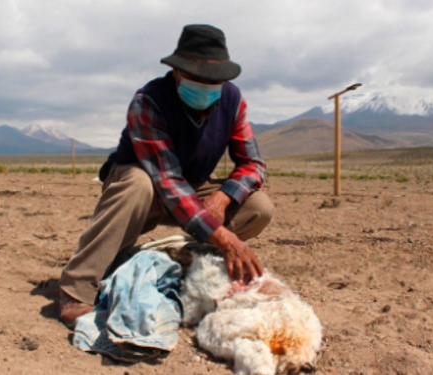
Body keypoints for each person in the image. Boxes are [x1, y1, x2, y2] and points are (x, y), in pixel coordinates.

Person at [58, 24, 275, 328]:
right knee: (138, 185)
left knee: (259, 207)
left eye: (213, 80)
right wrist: (224, 237)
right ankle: (77, 287)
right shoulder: (149, 101)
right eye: (195, 78)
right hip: (142, 186)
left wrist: (223, 196)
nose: (205, 86)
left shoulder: (232, 101)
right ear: (177, 73)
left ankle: (190, 261)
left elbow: (253, 164)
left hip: (192, 185)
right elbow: (168, 183)